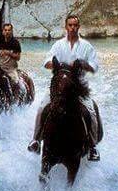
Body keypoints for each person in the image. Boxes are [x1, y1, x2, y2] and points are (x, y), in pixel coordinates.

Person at [28, 14, 101, 161]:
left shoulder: (87, 46)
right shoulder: (58, 45)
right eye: (70, 25)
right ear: (66, 27)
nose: (72, 28)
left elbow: (94, 66)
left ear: (78, 27)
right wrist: (58, 65)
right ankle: (36, 140)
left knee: (91, 111)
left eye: (75, 25)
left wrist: (82, 64)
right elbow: (46, 62)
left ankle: (92, 147)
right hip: (59, 86)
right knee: (42, 107)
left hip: (78, 87)